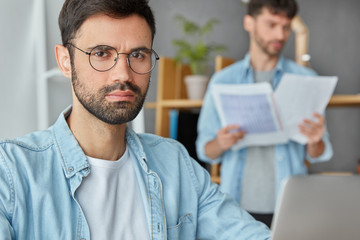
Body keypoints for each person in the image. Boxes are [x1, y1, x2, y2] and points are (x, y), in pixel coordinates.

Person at [0, 0, 271, 239]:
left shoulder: (175, 163)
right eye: (101, 53)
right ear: (65, 61)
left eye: (138, 55)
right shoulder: (11, 172)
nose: (123, 74)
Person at [196, 0, 333, 228]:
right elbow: (205, 150)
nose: (280, 34)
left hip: (291, 206)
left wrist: (315, 141)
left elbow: (318, 153)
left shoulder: (307, 80)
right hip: (236, 208)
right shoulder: (223, 81)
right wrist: (221, 142)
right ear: (249, 23)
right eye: (271, 25)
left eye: (286, 26)